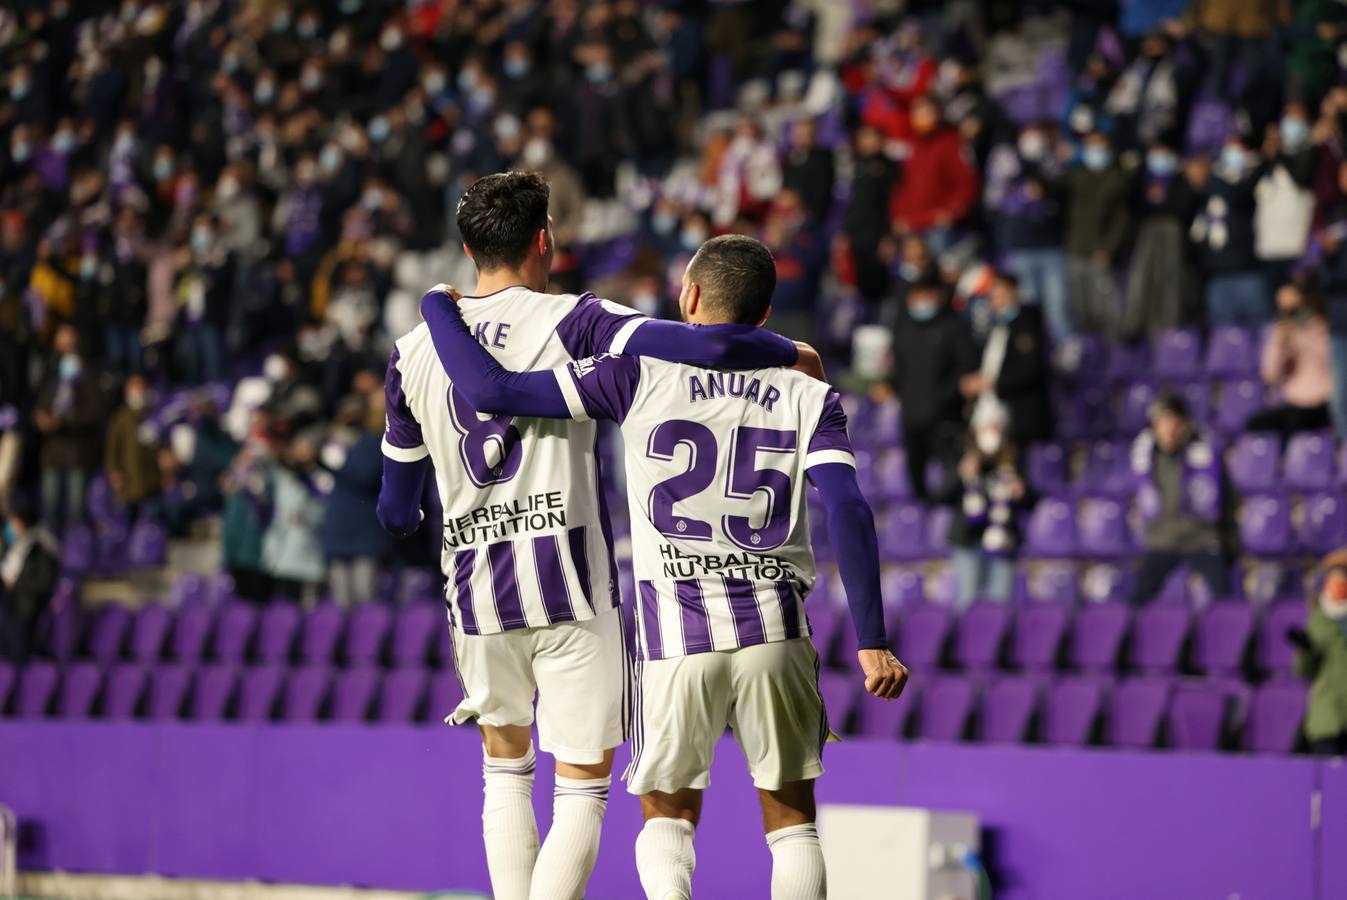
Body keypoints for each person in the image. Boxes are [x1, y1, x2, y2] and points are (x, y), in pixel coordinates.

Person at [419, 233, 908, 900]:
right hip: (776, 631)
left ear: (690, 295)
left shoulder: (636, 374)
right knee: (793, 824)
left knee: (667, 815)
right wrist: (872, 641)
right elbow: (849, 509)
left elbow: (490, 389)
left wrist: (437, 308)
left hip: (675, 638)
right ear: (764, 314)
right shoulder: (805, 390)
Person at [375, 172, 802, 900]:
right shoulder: (577, 319)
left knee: (503, 771)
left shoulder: (412, 351)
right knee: (580, 789)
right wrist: (789, 356)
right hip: (573, 587)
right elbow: (704, 346)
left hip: (475, 592)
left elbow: (395, 511)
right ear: (544, 240)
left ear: (468, 248)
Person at [1127, 395, 1235, 604]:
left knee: (1224, 598)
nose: (1168, 431)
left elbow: (1228, 501)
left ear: (1184, 424)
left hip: (1201, 537)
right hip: (1163, 540)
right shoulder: (1146, 457)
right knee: (1137, 599)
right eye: (1161, 424)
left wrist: (1230, 542)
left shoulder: (1206, 453)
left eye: (1172, 423)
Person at [885, 274, 978, 503]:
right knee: (915, 473)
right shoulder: (903, 329)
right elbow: (898, 369)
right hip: (911, 415)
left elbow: (965, 370)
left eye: (927, 294)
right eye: (916, 295)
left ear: (940, 295)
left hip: (946, 417)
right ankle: (921, 513)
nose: (921, 300)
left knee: (952, 475)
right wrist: (888, 384)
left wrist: (945, 397)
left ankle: (950, 520)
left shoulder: (955, 328)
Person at [947, 402, 1033, 609]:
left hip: (1003, 541)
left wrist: (1022, 491)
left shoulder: (1015, 459)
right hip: (967, 539)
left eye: (996, 427)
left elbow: (1030, 501)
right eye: (987, 427)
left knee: (1001, 603)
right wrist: (960, 475)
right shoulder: (961, 455)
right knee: (966, 601)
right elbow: (942, 496)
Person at [960, 272, 1054, 448]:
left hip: (1021, 413)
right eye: (993, 295)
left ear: (1014, 292)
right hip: (992, 409)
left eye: (1001, 294)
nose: (996, 300)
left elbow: (1030, 369)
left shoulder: (1029, 322)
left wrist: (993, 383)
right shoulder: (991, 328)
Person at [35, 325, 103, 532]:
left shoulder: (88, 381)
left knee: (76, 509)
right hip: (52, 453)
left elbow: (93, 414)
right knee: (50, 507)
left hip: (77, 453)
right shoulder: (52, 381)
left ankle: (77, 552)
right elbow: (41, 406)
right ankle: (50, 554)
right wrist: (41, 418)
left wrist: (63, 422)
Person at [321, 399, 388, 607]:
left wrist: (336, 465)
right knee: (341, 602)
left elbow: (366, 477)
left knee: (365, 597)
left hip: (363, 533)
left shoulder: (372, 442)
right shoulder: (335, 443)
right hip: (337, 530)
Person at [1247, 282, 1332, 440]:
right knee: (1256, 424)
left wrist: (1304, 333)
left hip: (1323, 403)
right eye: (1283, 310)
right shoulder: (1281, 333)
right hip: (1295, 404)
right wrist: (1280, 342)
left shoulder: (1322, 326)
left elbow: (1327, 358)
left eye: (1294, 309)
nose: (1290, 315)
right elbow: (1270, 375)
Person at [1292, 548, 1347, 756]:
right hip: (1328, 716)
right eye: (1334, 576)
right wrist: (1304, 650)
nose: (1338, 582)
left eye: (1343, 575)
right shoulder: (1318, 617)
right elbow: (1304, 671)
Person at [261, 435, 327, 604]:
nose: (299, 454)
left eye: (304, 450)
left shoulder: (320, 478)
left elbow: (325, 509)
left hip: (309, 553)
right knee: (285, 608)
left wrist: (306, 516)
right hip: (283, 553)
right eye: (297, 449)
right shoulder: (283, 477)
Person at [0, 497, 59, 662]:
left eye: (13, 521)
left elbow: (44, 582)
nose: (10, 526)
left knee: (19, 657)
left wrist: (16, 584)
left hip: (26, 608)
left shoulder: (42, 547)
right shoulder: (14, 545)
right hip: (9, 604)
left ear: (22, 521)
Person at [104, 375, 162, 523]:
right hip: (129, 479)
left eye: (140, 389)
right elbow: (112, 447)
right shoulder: (121, 418)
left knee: (150, 520)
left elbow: (162, 444)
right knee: (128, 520)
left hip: (151, 479)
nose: (137, 393)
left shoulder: (154, 414)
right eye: (134, 389)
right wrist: (114, 470)